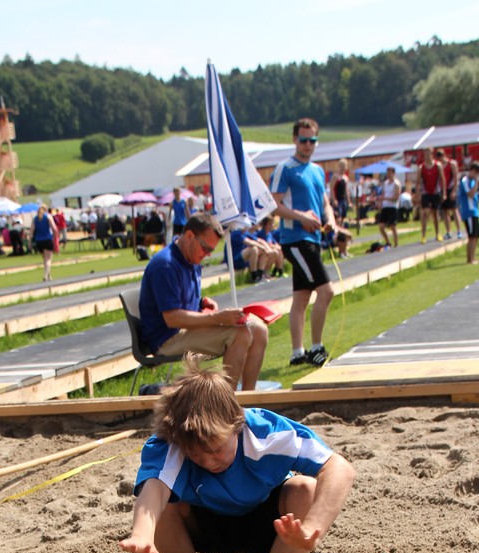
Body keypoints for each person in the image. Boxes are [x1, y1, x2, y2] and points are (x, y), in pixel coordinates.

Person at [119, 366, 355, 553]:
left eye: (217, 449)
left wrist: (312, 527)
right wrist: (141, 534)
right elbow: (155, 489)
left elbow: (339, 468)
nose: (208, 462)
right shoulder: (176, 441)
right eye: (196, 455)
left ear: (237, 424)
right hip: (205, 527)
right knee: (166, 503)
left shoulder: (268, 433)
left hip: (269, 526)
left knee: (305, 490)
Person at [138, 212, 267, 392]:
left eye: (211, 251)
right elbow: (172, 318)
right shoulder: (165, 265)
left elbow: (180, 300)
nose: (207, 255)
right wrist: (217, 317)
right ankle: (224, 403)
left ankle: (247, 399)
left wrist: (202, 303)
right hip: (166, 339)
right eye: (206, 248)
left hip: (183, 330)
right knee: (240, 334)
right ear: (190, 235)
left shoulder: (191, 258)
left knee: (259, 330)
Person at [270, 116, 337, 368]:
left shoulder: (318, 170)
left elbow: (324, 203)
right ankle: (316, 348)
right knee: (326, 291)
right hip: (295, 239)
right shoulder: (285, 169)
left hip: (313, 238)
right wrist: (301, 217)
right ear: (294, 139)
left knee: (301, 297)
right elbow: (273, 205)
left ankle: (297, 352)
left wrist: (330, 220)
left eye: (312, 140)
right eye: (303, 140)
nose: (308, 145)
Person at [416, 148, 445, 243]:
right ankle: (423, 235)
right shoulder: (421, 167)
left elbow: (442, 179)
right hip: (425, 192)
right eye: (425, 154)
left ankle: (437, 233)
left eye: (428, 154)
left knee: (435, 214)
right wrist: (418, 194)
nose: (427, 156)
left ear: (432, 154)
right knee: (424, 213)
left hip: (435, 192)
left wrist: (444, 193)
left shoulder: (437, 165)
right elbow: (418, 182)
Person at [457, 161, 479, 264]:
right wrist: (476, 183)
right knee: (471, 236)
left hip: (474, 210)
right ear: (472, 171)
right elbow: (470, 194)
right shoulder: (465, 181)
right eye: (476, 173)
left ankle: (473, 256)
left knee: (476, 235)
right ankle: (469, 258)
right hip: (469, 211)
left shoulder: (471, 181)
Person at [436, 149, 462, 240]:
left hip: (450, 188)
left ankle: (459, 231)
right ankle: (448, 231)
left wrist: (454, 190)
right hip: (442, 189)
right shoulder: (439, 165)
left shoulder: (451, 164)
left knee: (454, 210)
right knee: (444, 211)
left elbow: (455, 178)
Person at [31, 204, 59, 281]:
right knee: (48, 259)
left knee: (45, 259)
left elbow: (31, 231)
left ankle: (49, 275)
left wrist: (30, 241)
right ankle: (46, 275)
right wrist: (55, 237)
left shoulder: (35, 219)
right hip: (47, 239)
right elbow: (54, 228)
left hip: (39, 240)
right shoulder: (48, 217)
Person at [377, 166, 401, 248]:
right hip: (385, 206)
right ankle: (388, 241)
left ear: (393, 173)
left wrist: (385, 198)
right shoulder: (386, 183)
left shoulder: (396, 184)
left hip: (393, 207)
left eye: (390, 173)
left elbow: (396, 197)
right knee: (381, 226)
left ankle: (396, 244)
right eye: (387, 173)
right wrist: (381, 202)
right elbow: (383, 194)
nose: (388, 175)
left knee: (392, 226)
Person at [329, 159, 350, 226]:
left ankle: (341, 229)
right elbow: (332, 188)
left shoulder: (345, 178)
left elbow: (346, 190)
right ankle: (336, 229)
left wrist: (348, 201)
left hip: (343, 199)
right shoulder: (335, 176)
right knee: (338, 217)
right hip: (337, 199)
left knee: (343, 216)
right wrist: (334, 199)